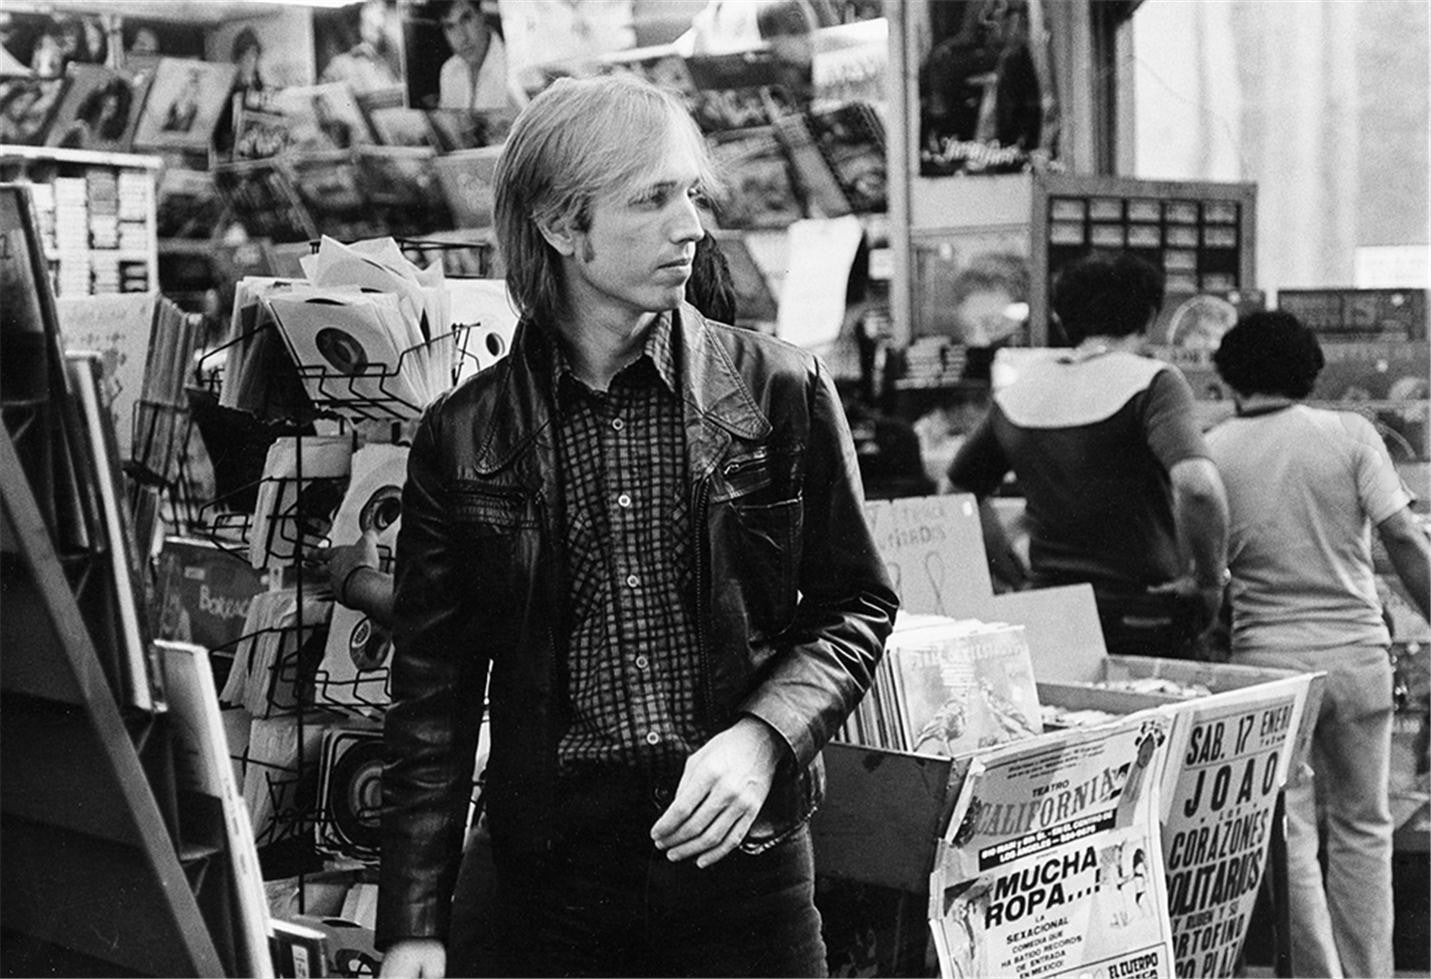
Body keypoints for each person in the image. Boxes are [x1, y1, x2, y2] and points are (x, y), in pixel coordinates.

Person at [376, 72, 896, 979]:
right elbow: (433, 691)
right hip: (550, 883)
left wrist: (764, 734)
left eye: (690, 193)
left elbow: (853, 605)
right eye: (651, 199)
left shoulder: (777, 389)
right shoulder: (462, 437)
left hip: (744, 865)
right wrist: (414, 921)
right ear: (559, 225)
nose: (689, 224)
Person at [1206, 311, 1431, 978]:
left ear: (1228, 375)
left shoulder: (1211, 450)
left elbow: (1206, 566)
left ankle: (1317, 975)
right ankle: (1370, 973)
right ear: (1310, 370)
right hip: (1357, 656)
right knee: (1365, 828)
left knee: (1290, 830)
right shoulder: (1350, 434)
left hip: (1266, 664)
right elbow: (1404, 540)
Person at [946, 250, 1229, 658]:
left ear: (1062, 319)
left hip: (1046, 608)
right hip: (1144, 611)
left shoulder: (1020, 391)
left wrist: (1004, 565)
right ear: (1150, 317)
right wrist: (1208, 580)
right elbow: (1198, 486)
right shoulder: (1153, 383)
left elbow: (957, 490)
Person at [434, 0, 518, 112]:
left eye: (466, 19)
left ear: (482, 15)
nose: (462, 38)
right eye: (450, 27)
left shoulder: (514, 64)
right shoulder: (449, 70)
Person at [322, 0, 403, 93]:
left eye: (383, 14)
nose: (380, 23)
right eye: (370, 26)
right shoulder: (341, 64)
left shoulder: (389, 64)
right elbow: (322, 96)